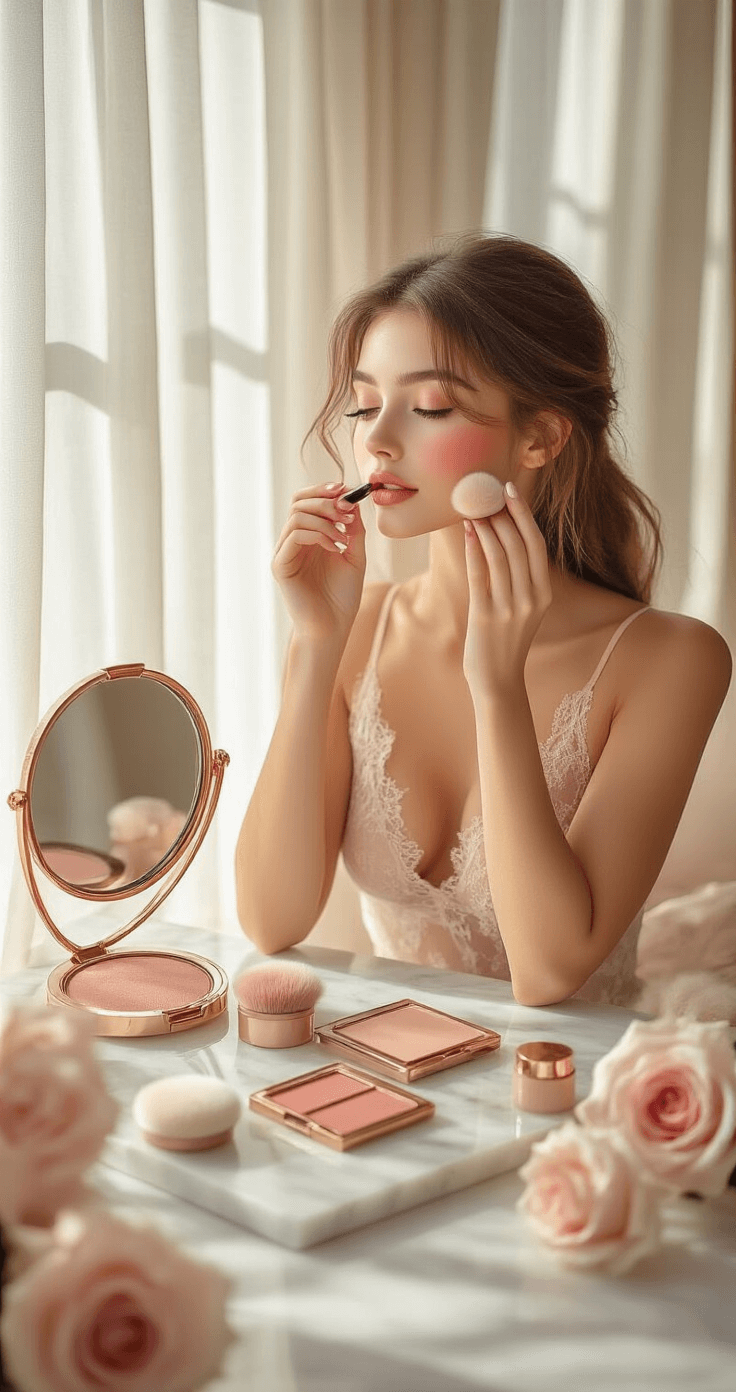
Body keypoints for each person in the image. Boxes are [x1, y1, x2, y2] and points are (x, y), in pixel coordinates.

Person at [235, 232, 732, 1007]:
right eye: (367, 403)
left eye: (430, 407)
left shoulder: (672, 660)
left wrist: (496, 686)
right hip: (394, 1084)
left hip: (560, 1101)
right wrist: (315, 646)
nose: (377, 437)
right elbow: (271, 918)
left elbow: (549, 971)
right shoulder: (358, 627)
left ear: (539, 436)